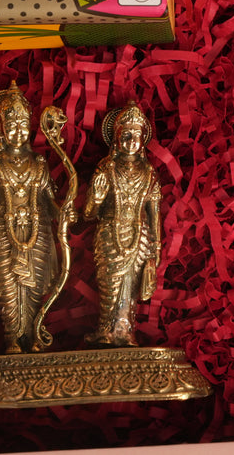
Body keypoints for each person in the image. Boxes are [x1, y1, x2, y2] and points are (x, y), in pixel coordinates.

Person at [0, 82, 68, 354]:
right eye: (11, 124)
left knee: (34, 287)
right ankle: (13, 338)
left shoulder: (38, 163)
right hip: (3, 232)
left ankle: (34, 334)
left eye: (23, 124)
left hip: (37, 232)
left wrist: (63, 213)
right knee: (9, 289)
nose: (18, 130)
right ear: (0, 128)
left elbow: (49, 201)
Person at [84, 102, 161, 347]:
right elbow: (89, 213)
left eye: (136, 135)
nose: (131, 141)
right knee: (109, 283)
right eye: (125, 135)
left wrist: (156, 247)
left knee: (131, 286)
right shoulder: (106, 167)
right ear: (116, 138)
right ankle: (105, 331)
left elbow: (154, 212)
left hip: (139, 237)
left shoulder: (149, 172)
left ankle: (126, 331)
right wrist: (96, 198)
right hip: (109, 233)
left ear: (143, 140)